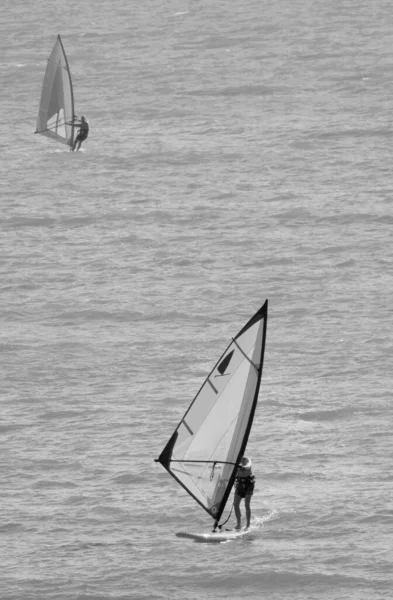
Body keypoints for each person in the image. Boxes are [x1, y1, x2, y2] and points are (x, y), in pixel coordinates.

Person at [234, 456, 255, 530]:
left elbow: (248, 465)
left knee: (246, 504)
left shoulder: (246, 459)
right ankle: (238, 524)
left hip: (248, 484)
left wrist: (243, 466)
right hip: (240, 484)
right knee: (235, 504)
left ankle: (248, 525)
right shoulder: (234, 460)